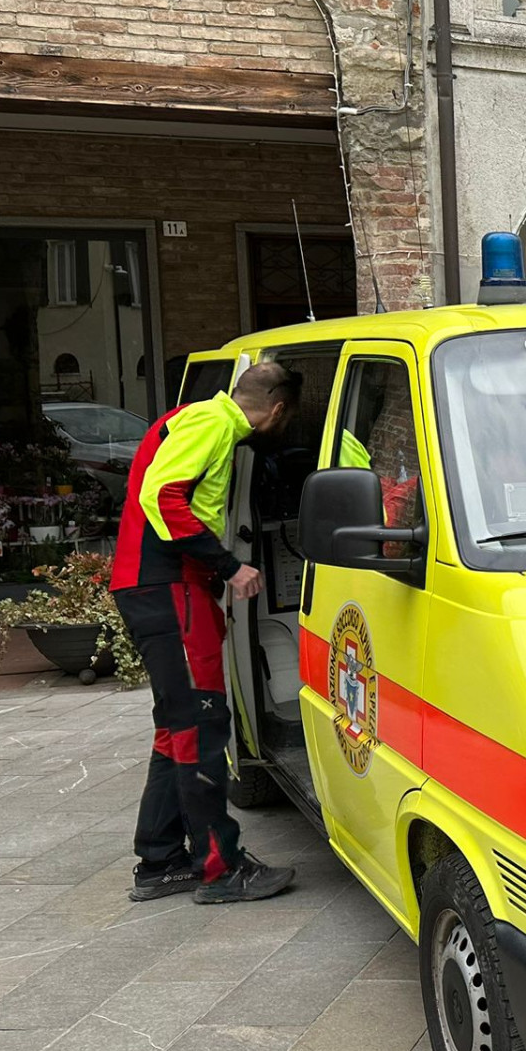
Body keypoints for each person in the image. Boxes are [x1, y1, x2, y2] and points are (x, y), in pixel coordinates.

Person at [112, 361, 302, 905]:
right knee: (202, 723)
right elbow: (162, 495)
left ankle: (160, 862)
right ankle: (221, 869)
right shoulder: (211, 424)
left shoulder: (194, 419)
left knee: (177, 728)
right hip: (169, 587)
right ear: (278, 409)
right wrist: (227, 566)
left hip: (153, 587)